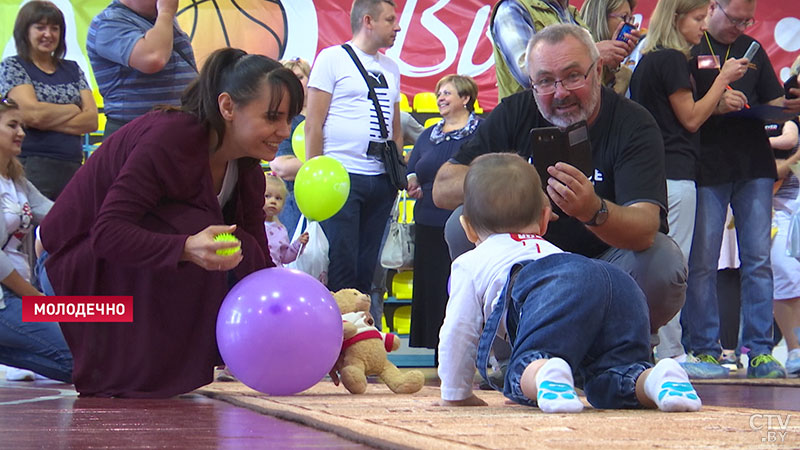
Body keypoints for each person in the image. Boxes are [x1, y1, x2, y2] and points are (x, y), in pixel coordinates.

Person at [38, 48, 303, 398]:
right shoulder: (170, 137)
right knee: (196, 229)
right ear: (227, 107)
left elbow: (258, 270)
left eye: (289, 119)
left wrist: (302, 333)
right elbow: (107, 232)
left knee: (239, 244)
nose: (283, 131)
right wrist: (185, 247)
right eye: (272, 117)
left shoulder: (248, 171)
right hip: (69, 277)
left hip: (120, 285)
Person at [434, 24, 685, 342]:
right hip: (527, 265)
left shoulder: (633, 123)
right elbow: (443, 188)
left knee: (662, 260)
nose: (560, 92)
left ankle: (620, 344)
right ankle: (514, 342)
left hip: (607, 266)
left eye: (572, 76)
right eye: (545, 81)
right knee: (460, 222)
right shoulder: (516, 112)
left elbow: (647, 226)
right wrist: (517, 179)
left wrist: (592, 210)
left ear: (597, 71)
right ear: (532, 84)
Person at [437, 153, 701, 413]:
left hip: (558, 289)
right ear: (543, 221)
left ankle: (546, 371)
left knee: (525, 367)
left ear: (467, 228)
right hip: (619, 283)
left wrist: (456, 393)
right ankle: (658, 379)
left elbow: (459, 330)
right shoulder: (549, 249)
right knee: (613, 376)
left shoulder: (470, 262)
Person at [629, 0, 749, 377]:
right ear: (676, 18)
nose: (703, 27)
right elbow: (692, 118)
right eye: (698, 18)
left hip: (657, 172)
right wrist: (723, 80)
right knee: (672, 263)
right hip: (676, 173)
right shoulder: (671, 61)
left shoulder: (648, 60)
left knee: (662, 260)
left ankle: (663, 348)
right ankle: (671, 353)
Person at [681, 0, 800, 378]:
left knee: (759, 261)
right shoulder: (689, 49)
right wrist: (716, 101)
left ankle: (759, 351)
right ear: (713, 7)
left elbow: (775, 103)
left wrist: (791, 104)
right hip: (707, 165)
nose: (739, 26)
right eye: (734, 19)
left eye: (747, 20)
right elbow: (681, 111)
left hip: (754, 164)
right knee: (702, 262)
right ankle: (703, 349)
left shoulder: (755, 49)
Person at [304, 0, 402, 294]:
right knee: (341, 266)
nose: (397, 27)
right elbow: (313, 124)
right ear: (368, 21)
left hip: (381, 180)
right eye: (390, 20)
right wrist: (314, 177)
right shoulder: (332, 58)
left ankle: (361, 335)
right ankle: (338, 335)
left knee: (368, 269)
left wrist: (395, 175)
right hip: (340, 177)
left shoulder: (392, 68)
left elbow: (396, 130)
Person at [405, 74, 481, 355]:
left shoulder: (480, 131)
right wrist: (411, 182)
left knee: (461, 290)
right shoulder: (427, 135)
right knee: (434, 289)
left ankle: (465, 352)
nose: (441, 98)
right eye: (439, 93)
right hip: (427, 222)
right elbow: (412, 169)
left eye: (447, 93)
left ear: (465, 98)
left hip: (465, 224)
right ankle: (440, 353)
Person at [0, 96, 72, 383]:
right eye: (12, 125)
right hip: (9, 297)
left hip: (20, 293)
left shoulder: (15, 179)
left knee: (109, 315)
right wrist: (35, 297)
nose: (22, 133)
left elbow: (59, 216)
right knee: (74, 362)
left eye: (22, 125)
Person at [0, 1, 98, 201]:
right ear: (25, 31)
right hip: (32, 166)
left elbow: (91, 121)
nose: (49, 34)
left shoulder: (73, 69)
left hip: (72, 166)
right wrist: (73, 108)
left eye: (55, 28)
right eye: (40, 27)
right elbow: (31, 115)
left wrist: (46, 118)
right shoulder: (13, 66)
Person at [87, 0, 196, 138]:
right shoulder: (108, 22)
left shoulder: (158, 20)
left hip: (173, 130)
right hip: (136, 133)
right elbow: (154, 58)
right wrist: (166, 13)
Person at [489, 0, 639, 100]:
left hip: (571, 121)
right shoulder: (512, 9)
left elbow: (583, 79)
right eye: (623, 16)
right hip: (531, 128)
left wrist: (609, 63)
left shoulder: (572, 14)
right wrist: (593, 53)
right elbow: (529, 73)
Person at [768, 112, 800, 375]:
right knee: (785, 272)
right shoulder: (779, 125)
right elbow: (777, 170)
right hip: (782, 211)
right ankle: (795, 349)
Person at [271, 58, 311, 238]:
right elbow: (281, 166)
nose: (296, 83)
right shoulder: (287, 120)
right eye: (291, 78)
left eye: (300, 77)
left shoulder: (329, 116)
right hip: (294, 203)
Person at [579, 0, 638, 95]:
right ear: (601, 18)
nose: (630, 26)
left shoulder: (625, 76)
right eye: (624, 17)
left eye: (631, 19)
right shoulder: (576, 65)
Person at [263, 172, 309, 267]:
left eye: (278, 198)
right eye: (267, 196)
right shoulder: (252, 226)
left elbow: (285, 257)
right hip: (256, 275)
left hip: (275, 276)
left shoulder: (281, 230)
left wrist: (298, 244)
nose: (273, 201)